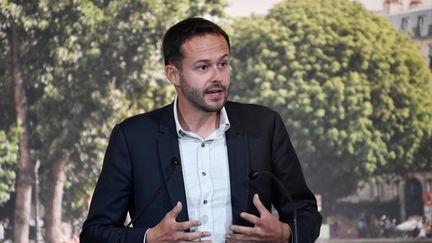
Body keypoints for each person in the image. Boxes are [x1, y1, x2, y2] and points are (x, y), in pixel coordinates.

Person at [80, 17, 322, 243]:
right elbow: (94, 233)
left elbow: (306, 211)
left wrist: (285, 233)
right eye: (203, 68)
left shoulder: (264, 126)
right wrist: (149, 238)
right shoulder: (133, 138)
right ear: (173, 74)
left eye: (223, 64)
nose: (217, 77)